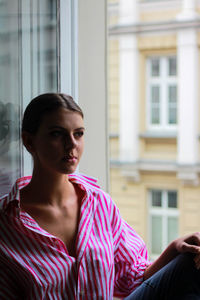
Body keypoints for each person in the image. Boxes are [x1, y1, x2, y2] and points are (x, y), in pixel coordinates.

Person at [0, 93, 200, 300]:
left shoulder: (99, 204)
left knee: (190, 263)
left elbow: (132, 280)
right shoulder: (6, 224)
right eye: (57, 134)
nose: (72, 145)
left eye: (78, 134)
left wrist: (175, 248)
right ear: (29, 141)